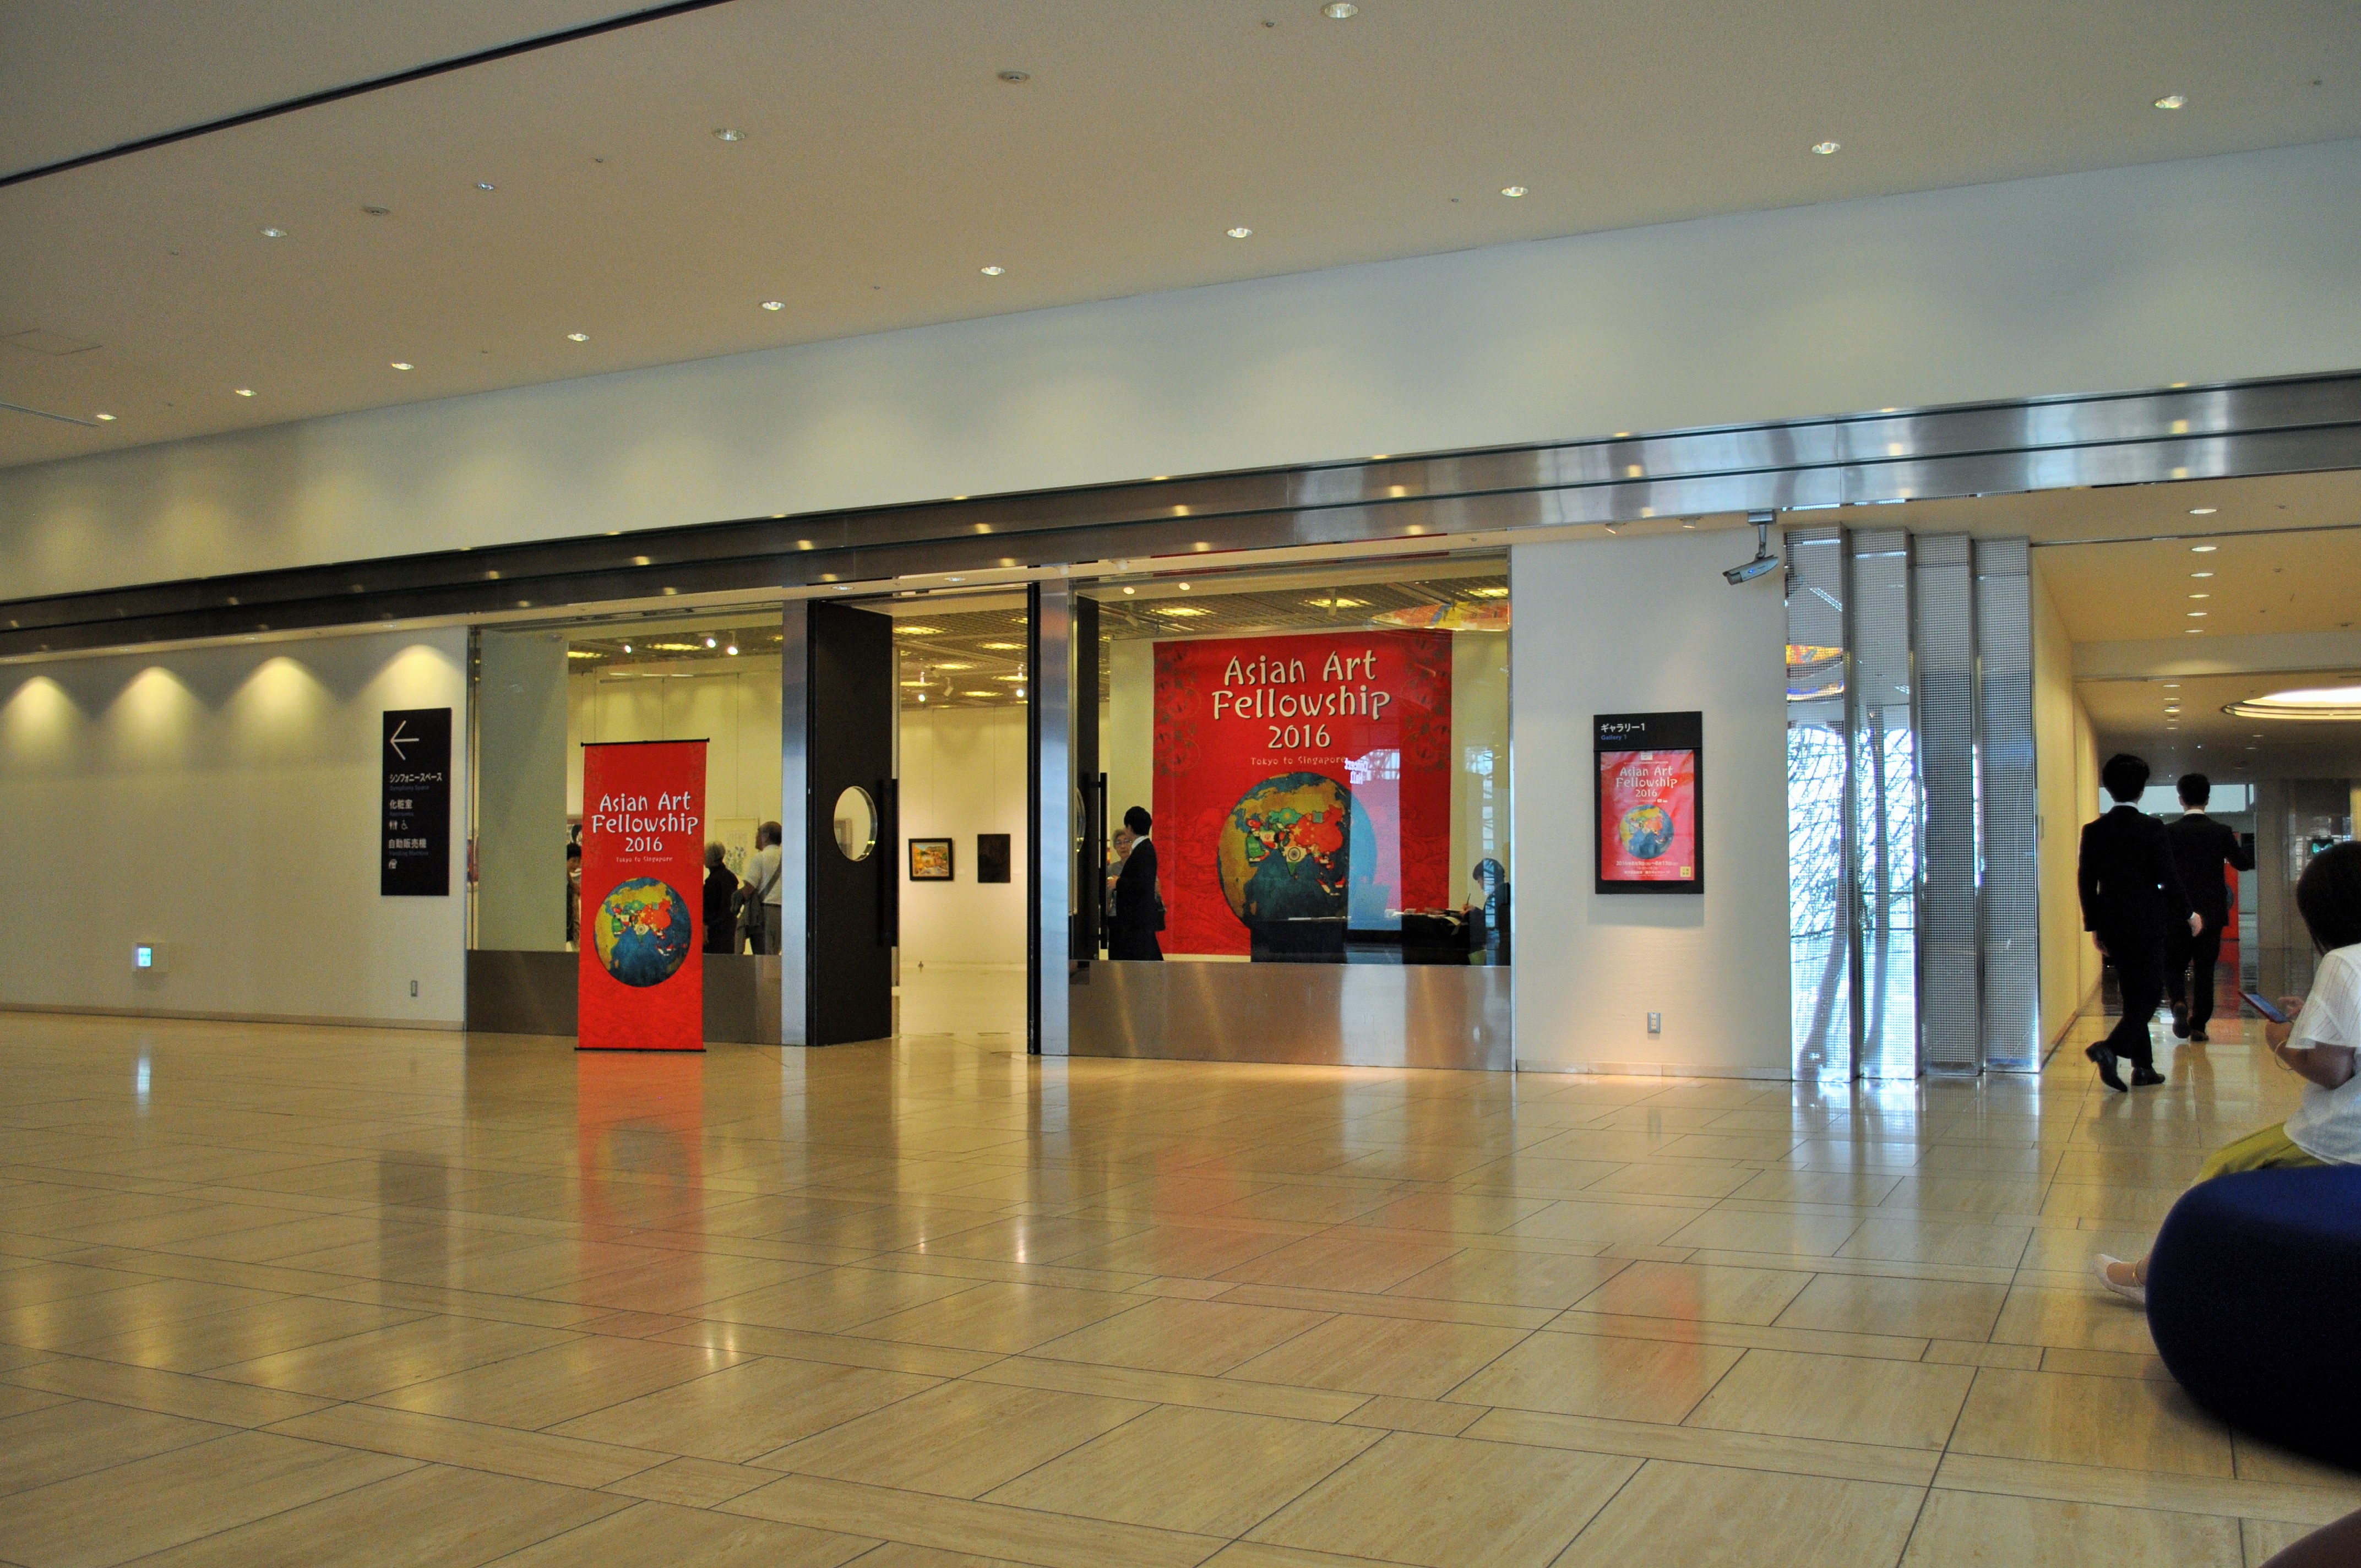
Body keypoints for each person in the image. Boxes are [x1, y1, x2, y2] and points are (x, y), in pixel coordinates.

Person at [2096, 840, 2361, 1305]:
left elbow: (2332, 1070)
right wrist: (2317, 1017)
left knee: (2223, 1168)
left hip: (2345, 1135)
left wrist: (2281, 1040)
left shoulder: (2346, 961)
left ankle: (2152, 1278)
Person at [2079, 753, 2199, 1092]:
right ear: (2141, 790)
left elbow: (2086, 881)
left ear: (2108, 786)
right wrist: (2190, 914)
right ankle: (2111, 1048)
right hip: (2147, 921)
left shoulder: (2094, 830)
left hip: (2112, 924)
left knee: (2134, 995)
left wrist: (2094, 925)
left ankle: (2143, 1068)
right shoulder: (2151, 828)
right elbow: (2168, 877)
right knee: (2150, 993)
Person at [2164, 773, 2255, 1043]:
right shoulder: (2221, 832)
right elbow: (2242, 863)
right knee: (2205, 971)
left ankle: (2178, 1001)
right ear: (2207, 800)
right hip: (2212, 913)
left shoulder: (2169, 832)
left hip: (2178, 912)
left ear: (2181, 800)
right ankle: (2198, 1026)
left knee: (2173, 965)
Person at [1108, 806, 1163, 960]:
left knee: (1143, 958)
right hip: (1139, 919)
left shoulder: (1143, 850)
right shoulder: (1144, 848)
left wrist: (1118, 883)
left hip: (1138, 919)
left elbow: (1143, 884)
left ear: (1130, 828)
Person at [737, 822, 784, 955]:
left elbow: (750, 887)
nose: (756, 837)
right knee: (774, 956)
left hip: (763, 913)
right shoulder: (787, 858)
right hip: (782, 914)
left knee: (763, 958)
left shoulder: (760, 858)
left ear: (766, 836)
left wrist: (738, 899)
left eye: (758, 834)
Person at [701, 842, 738, 955]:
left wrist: (704, 927)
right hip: (729, 928)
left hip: (714, 931)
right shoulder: (731, 877)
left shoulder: (713, 882)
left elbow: (709, 909)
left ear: (711, 859)